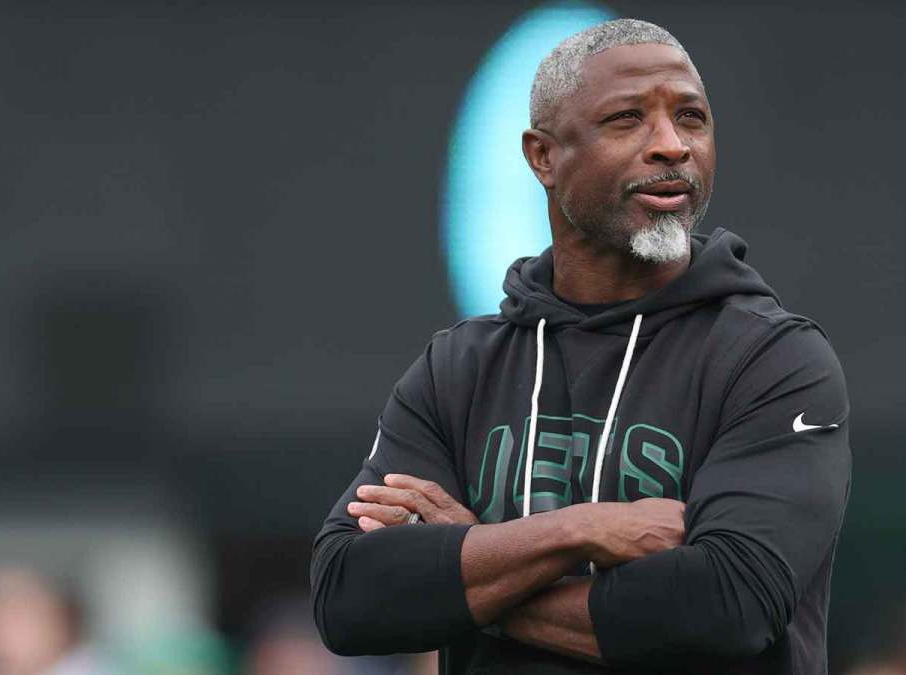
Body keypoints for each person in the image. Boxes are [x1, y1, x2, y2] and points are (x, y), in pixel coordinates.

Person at [310, 18, 852, 674]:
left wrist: (476, 562)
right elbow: (347, 593)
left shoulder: (773, 361)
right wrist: (579, 530)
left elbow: (726, 606)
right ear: (542, 156)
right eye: (628, 119)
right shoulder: (460, 368)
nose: (671, 146)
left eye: (691, 118)